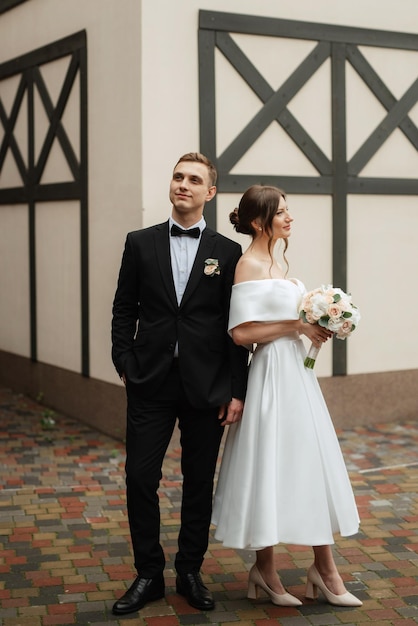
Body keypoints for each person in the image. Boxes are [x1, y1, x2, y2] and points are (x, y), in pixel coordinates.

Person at [211, 185, 362, 608]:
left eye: (288, 211)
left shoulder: (279, 260)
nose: (289, 218)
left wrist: (318, 322)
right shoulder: (249, 264)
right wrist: (296, 326)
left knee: (308, 461)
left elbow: (292, 320)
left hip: (298, 373)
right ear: (260, 222)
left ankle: (325, 569)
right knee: (270, 463)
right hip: (271, 375)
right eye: (281, 212)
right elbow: (241, 334)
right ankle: (265, 569)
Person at [111, 152, 248, 615]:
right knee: (139, 476)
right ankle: (148, 573)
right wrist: (124, 360)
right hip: (149, 380)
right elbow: (123, 308)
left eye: (194, 180)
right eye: (178, 177)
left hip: (206, 385)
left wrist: (237, 389)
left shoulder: (228, 252)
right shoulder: (139, 242)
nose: (183, 184)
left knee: (197, 481)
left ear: (209, 192)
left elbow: (235, 325)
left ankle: (190, 569)